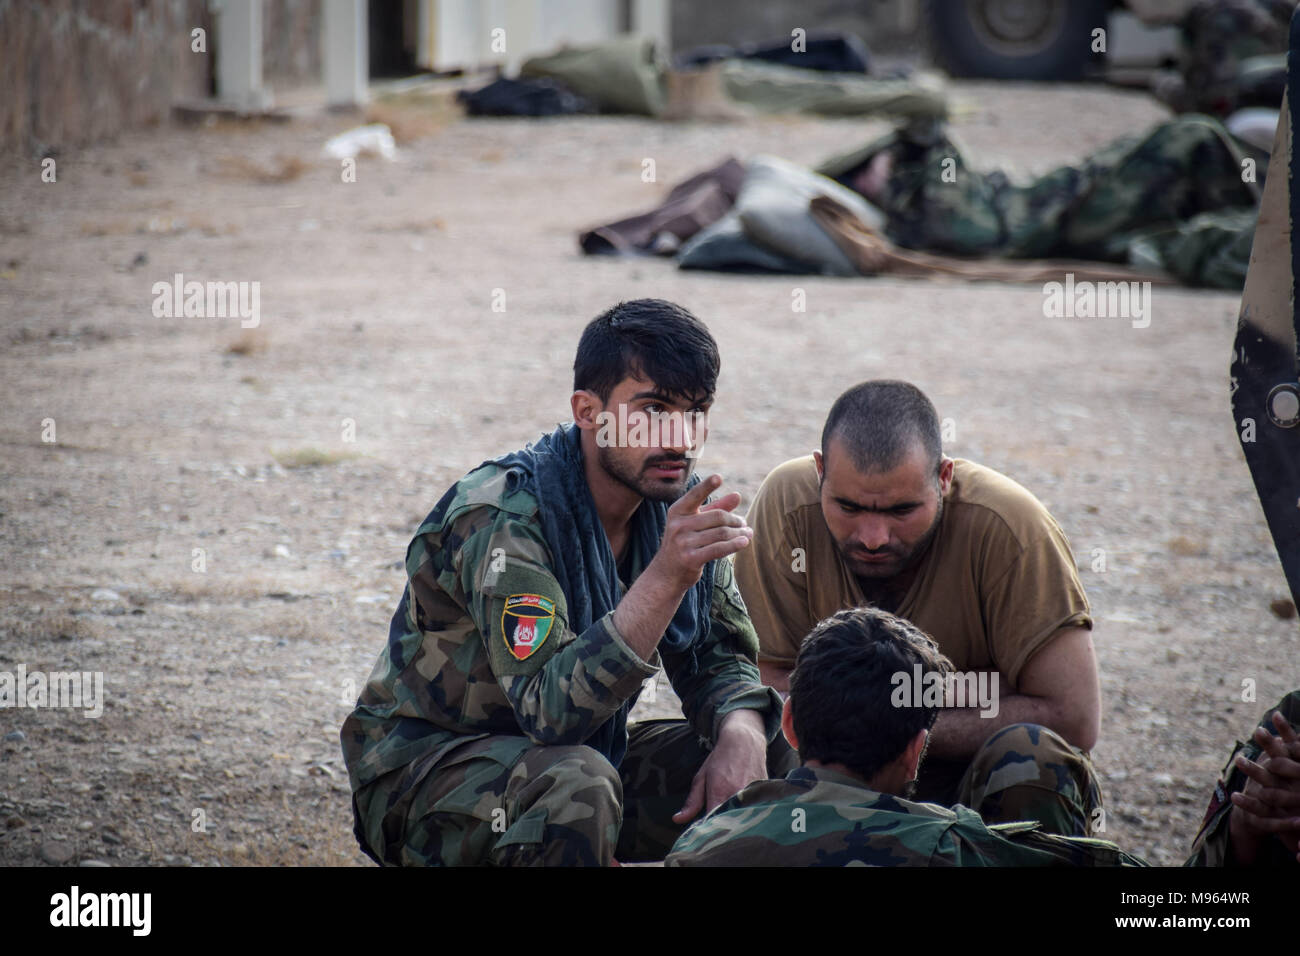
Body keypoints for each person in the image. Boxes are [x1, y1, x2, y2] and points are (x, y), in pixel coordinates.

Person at [340, 299, 793, 866]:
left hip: (576, 762)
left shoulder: (674, 501)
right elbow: (550, 712)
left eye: (696, 411)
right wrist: (665, 576)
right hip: (425, 777)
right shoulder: (504, 516)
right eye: (652, 409)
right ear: (587, 411)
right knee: (576, 785)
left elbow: (718, 656)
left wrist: (743, 730)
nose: (680, 438)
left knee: (773, 746)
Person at [734, 380, 1101, 835]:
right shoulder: (787, 504)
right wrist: (982, 690)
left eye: (901, 511)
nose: (873, 537)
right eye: (847, 506)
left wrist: (879, 717)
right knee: (746, 736)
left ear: (944, 477)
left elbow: (1073, 717)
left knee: (1031, 756)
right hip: (834, 775)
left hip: (969, 776)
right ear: (820, 471)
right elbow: (764, 681)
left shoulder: (1012, 530)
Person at [666, 607, 1300, 867]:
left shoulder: (701, 843)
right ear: (919, 746)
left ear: (790, 723)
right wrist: (1249, 827)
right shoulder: (961, 849)